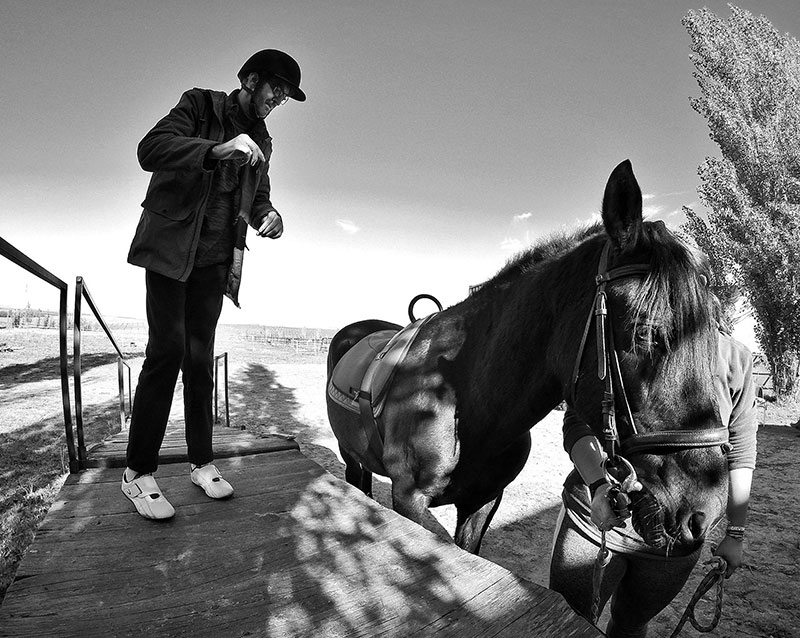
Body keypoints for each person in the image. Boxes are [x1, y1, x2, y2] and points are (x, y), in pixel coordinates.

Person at [121, 49, 306, 520]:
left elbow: (258, 196)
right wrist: (216, 150)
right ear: (250, 80)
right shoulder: (199, 104)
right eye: (276, 88)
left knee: (200, 361)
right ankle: (137, 472)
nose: (279, 99)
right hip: (170, 252)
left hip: (215, 263)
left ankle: (201, 463)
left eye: (286, 95)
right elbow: (150, 149)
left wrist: (269, 215)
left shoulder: (263, 142)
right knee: (167, 352)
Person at [549, 330, 757, 637]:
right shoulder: (622, 339)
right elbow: (578, 421)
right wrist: (598, 486)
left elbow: (741, 448)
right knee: (568, 624)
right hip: (600, 522)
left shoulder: (735, 356)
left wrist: (735, 533)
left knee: (631, 626)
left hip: (676, 542)